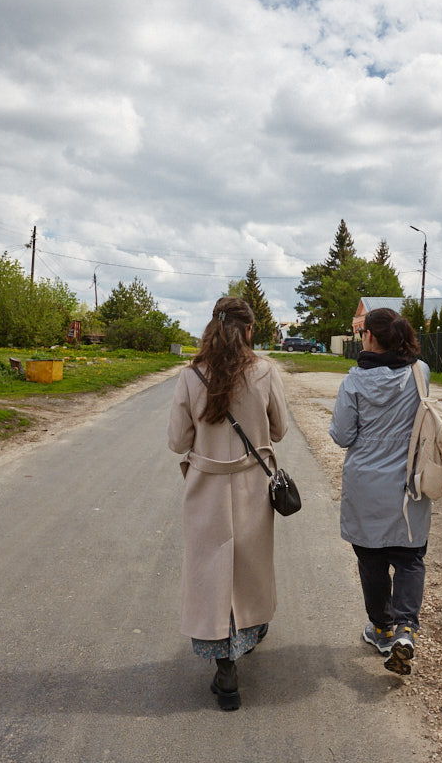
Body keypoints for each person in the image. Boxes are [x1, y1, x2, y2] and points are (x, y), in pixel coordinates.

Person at [167, 297, 288, 710]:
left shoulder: (190, 376)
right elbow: (281, 428)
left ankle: (224, 668)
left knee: (210, 572)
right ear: (249, 330)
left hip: (206, 488)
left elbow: (177, 442)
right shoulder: (265, 372)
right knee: (250, 566)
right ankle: (250, 633)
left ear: (212, 328)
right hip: (252, 485)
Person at [329, 307, 431, 676]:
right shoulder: (421, 373)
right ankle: (406, 629)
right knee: (409, 557)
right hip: (409, 483)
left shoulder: (354, 382)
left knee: (371, 560)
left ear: (370, 337)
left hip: (367, 485)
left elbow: (342, 436)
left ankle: (383, 629)